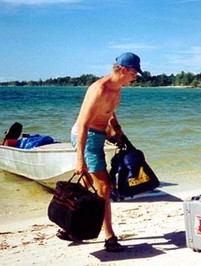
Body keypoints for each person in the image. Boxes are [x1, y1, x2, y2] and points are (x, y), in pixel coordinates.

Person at [57, 52, 143, 252]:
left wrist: (117, 128)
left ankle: (71, 228)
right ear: (122, 69)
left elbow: (110, 111)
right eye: (133, 72)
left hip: (99, 136)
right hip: (86, 138)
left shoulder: (118, 88)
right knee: (104, 187)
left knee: (91, 189)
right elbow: (83, 124)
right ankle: (109, 236)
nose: (135, 76)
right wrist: (80, 159)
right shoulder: (99, 89)